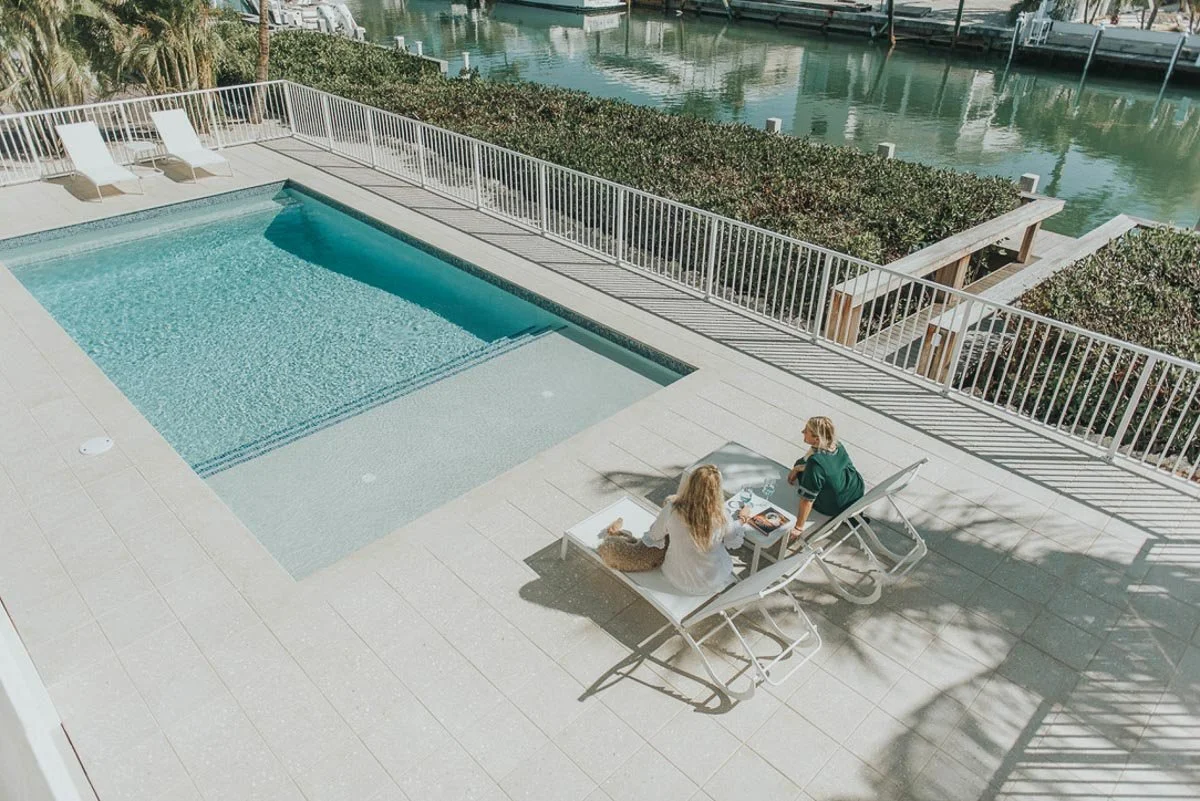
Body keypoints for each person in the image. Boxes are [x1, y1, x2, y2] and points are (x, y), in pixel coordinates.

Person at [643, 464, 750, 596]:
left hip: (678, 577)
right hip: (713, 579)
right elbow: (733, 538)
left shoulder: (672, 509)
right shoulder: (721, 515)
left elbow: (654, 536)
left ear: (690, 484)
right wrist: (742, 519)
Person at [786, 416, 864, 542]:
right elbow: (829, 467)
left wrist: (799, 527)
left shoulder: (815, 464)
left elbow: (807, 500)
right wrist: (799, 467)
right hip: (856, 491)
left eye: (806, 431)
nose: (802, 432)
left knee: (803, 475)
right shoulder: (837, 445)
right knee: (800, 465)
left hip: (836, 506)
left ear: (817, 438)